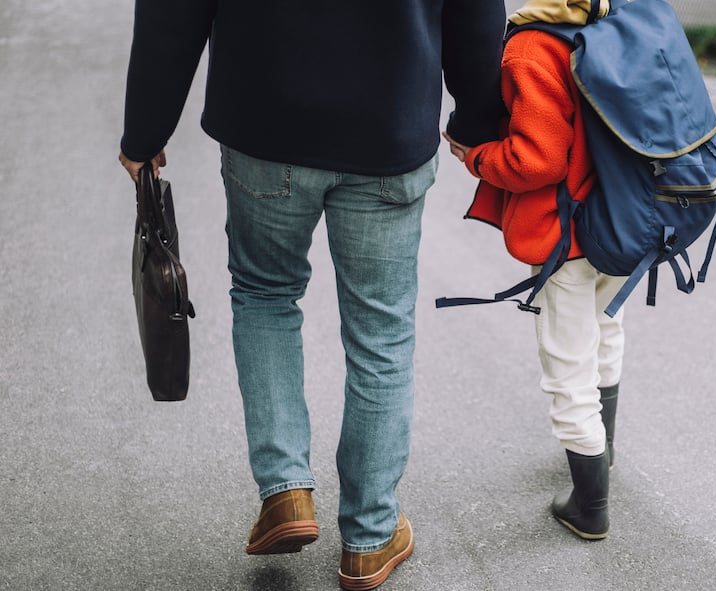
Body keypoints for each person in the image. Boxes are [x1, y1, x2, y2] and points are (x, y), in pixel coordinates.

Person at [118, 1, 505, 589]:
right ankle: (371, 535)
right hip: (389, 126)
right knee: (380, 331)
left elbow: (174, 11)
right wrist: (477, 116)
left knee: (265, 294)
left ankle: (286, 491)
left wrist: (146, 128)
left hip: (265, 124)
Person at [443, 0, 624, 541]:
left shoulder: (531, 48)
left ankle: (590, 505)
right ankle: (604, 450)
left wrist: (476, 157)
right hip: (625, 221)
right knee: (607, 329)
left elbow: (535, 161)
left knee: (567, 365)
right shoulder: (620, 26)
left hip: (566, 234)